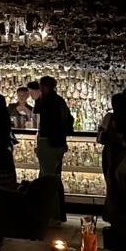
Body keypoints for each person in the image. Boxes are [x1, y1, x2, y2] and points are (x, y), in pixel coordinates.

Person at [34, 76, 74, 225]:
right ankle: (57, 214)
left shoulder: (45, 101)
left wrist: (39, 142)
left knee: (47, 179)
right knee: (55, 178)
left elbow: (40, 121)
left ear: (44, 87)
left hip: (48, 143)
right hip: (58, 144)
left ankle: (51, 216)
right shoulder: (60, 101)